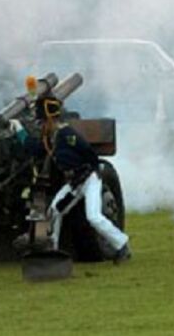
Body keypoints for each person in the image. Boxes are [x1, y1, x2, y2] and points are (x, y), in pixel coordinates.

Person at [15, 93, 131, 264]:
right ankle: (52, 250)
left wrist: (95, 171)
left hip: (89, 178)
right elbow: (35, 148)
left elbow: (88, 152)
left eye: (44, 121)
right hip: (75, 182)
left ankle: (122, 245)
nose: (42, 124)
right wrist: (18, 130)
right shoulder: (51, 137)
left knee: (93, 216)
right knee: (55, 211)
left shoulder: (67, 134)